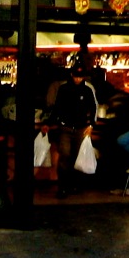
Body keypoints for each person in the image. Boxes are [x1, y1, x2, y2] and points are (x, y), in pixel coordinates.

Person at [47, 64, 98, 198]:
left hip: (80, 128)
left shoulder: (86, 90)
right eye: (76, 76)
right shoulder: (64, 89)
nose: (78, 79)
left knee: (76, 157)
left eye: (80, 77)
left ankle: (73, 185)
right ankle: (63, 186)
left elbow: (93, 108)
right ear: (72, 75)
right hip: (66, 127)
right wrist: (50, 122)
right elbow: (57, 108)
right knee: (65, 155)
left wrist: (91, 125)